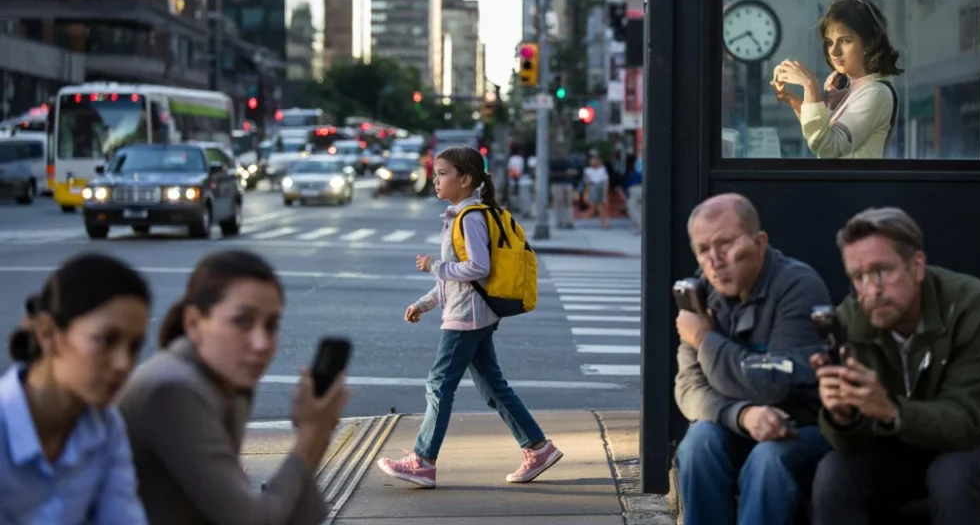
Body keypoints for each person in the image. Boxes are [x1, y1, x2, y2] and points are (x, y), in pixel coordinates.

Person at [810, 207, 980, 524]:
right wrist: (843, 415)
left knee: (952, 475)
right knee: (833, 473)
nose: (872, 289)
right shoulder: (852, 318)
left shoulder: (974, 306)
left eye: (882, 270)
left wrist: (891, 410)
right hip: (901, 443)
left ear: (917, 267)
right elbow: (851, 443)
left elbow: (964, 422)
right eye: (859, 277)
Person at [116, 250, 350, 525]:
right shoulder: (173, 391)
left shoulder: (227, 383)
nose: (261, 343)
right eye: (242, 321)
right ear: (193, 323)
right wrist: (313, 435)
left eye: (271, 325)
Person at [377, 145, 562, 489]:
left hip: (467, 317)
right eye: (435, 174)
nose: (436, 180)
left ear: (465, 179)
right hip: (472, 312)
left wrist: (435, 264)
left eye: (443, 174)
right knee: (493, 387)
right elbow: (455, 279)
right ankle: (539, 448)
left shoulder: (470, 217)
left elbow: (478, 267)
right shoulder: (461, 215)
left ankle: (423, 460)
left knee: (439, 384)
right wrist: (424, 303)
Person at [674, 193, 833, 525]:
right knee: (698, 444)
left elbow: (773, 385)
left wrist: (704, 339)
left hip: (803, 424)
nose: (714, 260)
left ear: (759, 242)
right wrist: (742, 414)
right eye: (703, 250)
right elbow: (688, 387)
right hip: (738, 423)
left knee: (768, 459)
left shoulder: (798, 285)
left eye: (726, 244)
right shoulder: (701, 293)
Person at [0, 253, 151, 524]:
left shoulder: (105, 426)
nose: (122, 364)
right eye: (106, 340)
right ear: (48, 334)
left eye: (134, 347)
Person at [771, 0, 901, 159]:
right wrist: (795, 102)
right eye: (830, 42)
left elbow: (827, 147)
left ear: (868, 43)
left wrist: (810, 86)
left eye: (845, 41)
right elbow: (822, 135)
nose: (834, 51)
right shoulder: (857, 91)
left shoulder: (876, 93)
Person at [549, 148, 577, 229]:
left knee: (568, 203)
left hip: (567, 184)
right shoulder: (554, 163)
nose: (562, 155)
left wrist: (562, 174)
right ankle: (559, 221)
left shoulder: (568, 162)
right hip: (557, 184)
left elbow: (574, 172)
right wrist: (565, 173)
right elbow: (552, 174)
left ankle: (569, 221)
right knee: (558, 203)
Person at [583, 154, 610, 227]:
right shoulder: (588, 170)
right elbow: (587, 182)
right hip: (592, 186)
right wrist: (587, 192)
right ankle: (588, 217)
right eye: (592, 161)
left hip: (600, 186)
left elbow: (605, 181)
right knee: (594, 205)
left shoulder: (602, 169)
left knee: (601, 204)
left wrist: (605, 192)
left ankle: (604, 221)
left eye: (595, 161)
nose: (593, 162)